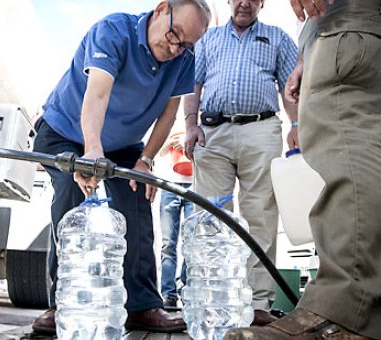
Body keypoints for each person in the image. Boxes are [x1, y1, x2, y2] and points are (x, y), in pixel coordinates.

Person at [224, 0, 381, 339]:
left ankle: (350, 314)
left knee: (339, 117)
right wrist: (305, 59)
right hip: (352, 20)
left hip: (351, 12)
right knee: (375, 152)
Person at [30, 0, 211, 334]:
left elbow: (168, 115)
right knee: (72, 197)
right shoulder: (113, 31)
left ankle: (142, 305)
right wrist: (92, 151)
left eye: (186, 43)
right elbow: (97, 94)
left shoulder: (184, 59)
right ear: (160, 9)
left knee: (138, 199)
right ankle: (63, 304)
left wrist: (146, 160)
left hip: (123, 145)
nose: (175, 47)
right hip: (65, 132)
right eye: (174, 34)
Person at [183, 0, 299, 327]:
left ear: (262, 3)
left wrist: (297, 126)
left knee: (260, 213)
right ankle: (211, 301)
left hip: (261, 129)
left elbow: (291, 87)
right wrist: (191, 125)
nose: (244, 2)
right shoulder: (208, 39)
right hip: (212, 131)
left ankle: (258, 303)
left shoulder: (277, 38)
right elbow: (192, 85)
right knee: (209, 217)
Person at [156, 131, 194, 308]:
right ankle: (168, 294)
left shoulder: (200, 120)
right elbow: (159, 152)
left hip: (194, 185)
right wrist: (171, 141)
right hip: (169, 185)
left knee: (192, 243)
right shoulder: (169, 122)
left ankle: (187, 291)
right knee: (168, 243)